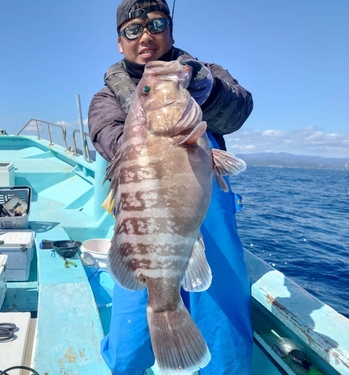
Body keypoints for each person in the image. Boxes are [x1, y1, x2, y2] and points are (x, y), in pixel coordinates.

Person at [88, 1, 254, 374]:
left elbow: (239, 109)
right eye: (133, 30)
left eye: (156, 24)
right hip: (143, 231)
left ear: (171, 30)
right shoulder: (105, 98)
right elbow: (107, 135)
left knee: (223, 334)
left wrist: (203, 88)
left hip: (211, 224)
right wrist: (150, 128)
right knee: (129, 344)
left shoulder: (208, 75)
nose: (145, 35)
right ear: (120, 42)